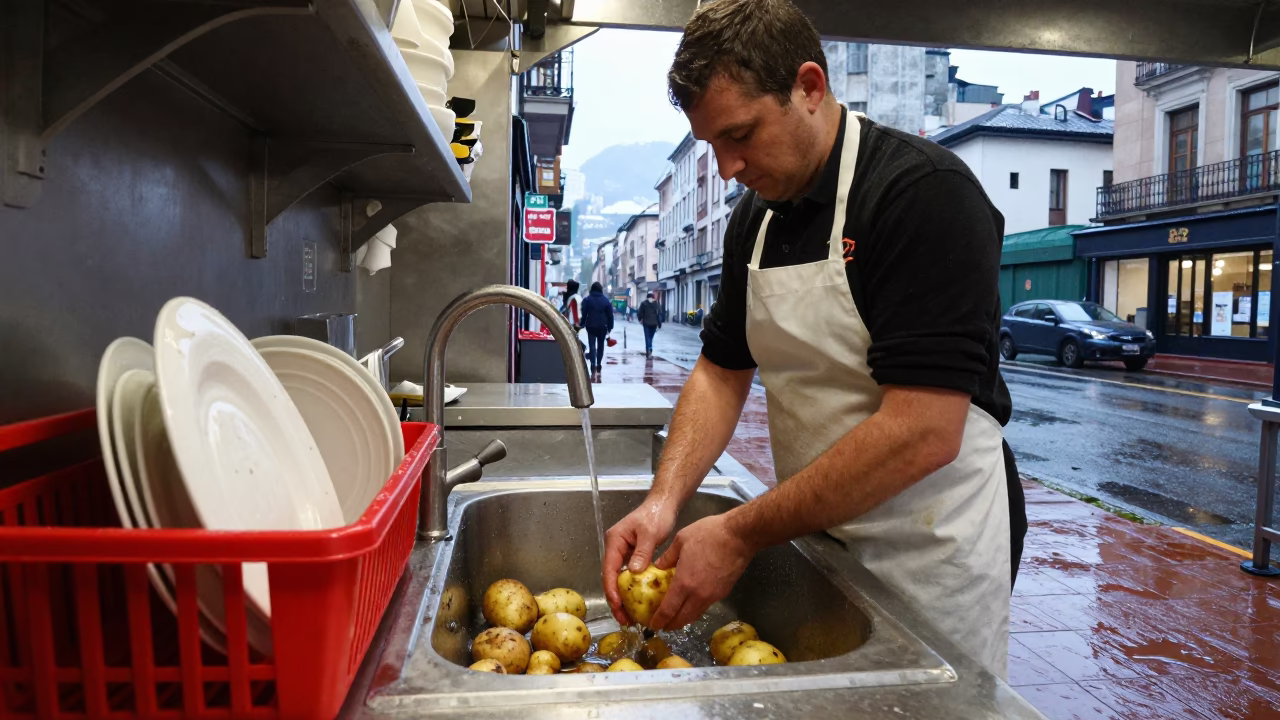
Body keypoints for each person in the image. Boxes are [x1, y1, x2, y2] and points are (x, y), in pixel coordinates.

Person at [601, 0, 1025, 680]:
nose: (729, 168)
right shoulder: (754, 220)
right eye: (712, 146)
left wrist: (740, 532)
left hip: (932, 546)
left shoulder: (922, 194)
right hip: (820, 530)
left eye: (740, 134)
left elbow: (923, 430)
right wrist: (664, 499)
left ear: (808, 86)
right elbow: (720, 370)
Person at [581, 281, 614, 372]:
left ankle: (593, 363)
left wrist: (582, 323)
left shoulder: (587, 299)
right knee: (601, 345)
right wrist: (610, 327)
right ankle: (599, 364)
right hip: (602, 327)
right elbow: (610, 315)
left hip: (591, 326)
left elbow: (584, 313)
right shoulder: (606, 300)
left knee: (591, 345)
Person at [638, 292, 663, 357]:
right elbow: (659, 314)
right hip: (654, 323)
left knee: (647, 337)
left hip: (646, 322)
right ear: (653, 297)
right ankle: (650, 349)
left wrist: (640, 319)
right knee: (651, 337)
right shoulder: (656, 304)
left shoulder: (644, 303)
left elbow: (640, 312)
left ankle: (648, 349)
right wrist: (659, 324)